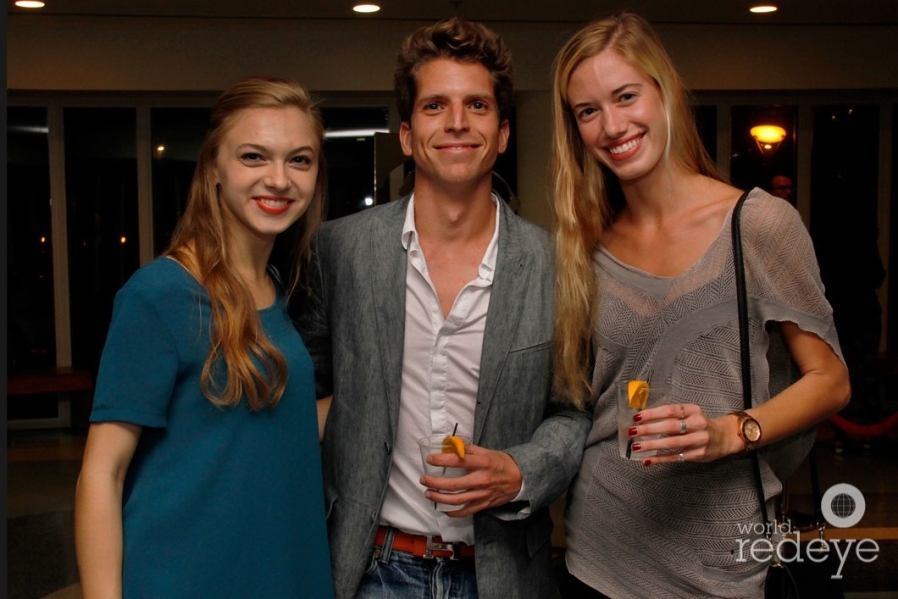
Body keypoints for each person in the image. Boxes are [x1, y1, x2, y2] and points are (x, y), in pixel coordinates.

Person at [550, 13, 850, 599]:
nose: (612, 125)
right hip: (598, 559)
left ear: (664, 91)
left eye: (626, 96)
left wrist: (730, 433)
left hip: (722, 566)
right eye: (588, 111)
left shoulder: (757, 225)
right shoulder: (584, 246)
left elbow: (831, 381)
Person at [295, 17, 591, 599]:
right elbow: (301, 390)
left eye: (476, 105)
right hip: (371, 568)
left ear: (503, 133)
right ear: (406, 135)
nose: (457, 122)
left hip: (502, 571)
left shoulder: (557, 263)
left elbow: (576, 412)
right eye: (435, 107)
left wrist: (523, 470)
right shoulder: (340, 249)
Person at [74, 76, 334, 598]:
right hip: (185, 576)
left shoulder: (277, 287)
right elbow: (103, 473)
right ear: (214, 166)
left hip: (284, 570)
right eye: (254, 157)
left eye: (299, 160)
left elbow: (271, 428)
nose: (279, 180)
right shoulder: (159, 295)